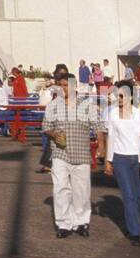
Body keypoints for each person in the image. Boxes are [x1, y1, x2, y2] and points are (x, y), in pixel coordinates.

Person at [43, 68, 103, 235]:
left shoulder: (86, 105)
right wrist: (54, 134)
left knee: (81, 190)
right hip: (60, 153)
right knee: (60, 188)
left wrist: (102, 148)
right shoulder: (53, 106)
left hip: (81, 153)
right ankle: (63, 224)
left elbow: (98, 127)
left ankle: (81, 222)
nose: (64, 89)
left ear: (74, 86)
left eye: (67, 86)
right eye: (61, 86)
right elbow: (46, 127)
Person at [99, 82, 140, 245]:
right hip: (120, 159)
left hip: (137, 158)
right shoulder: (112, 114)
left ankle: (133, 221)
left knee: (137, 196)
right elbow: (111, 137)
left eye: (121, 95)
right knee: (128, 196)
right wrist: (108, 161)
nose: (118, 98)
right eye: (116, 95)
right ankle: (135, 233)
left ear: (129, 97)